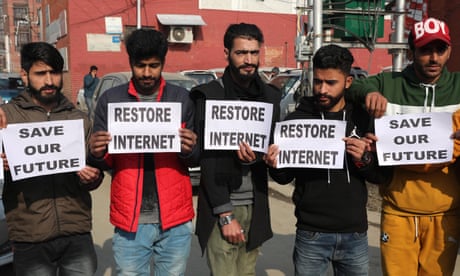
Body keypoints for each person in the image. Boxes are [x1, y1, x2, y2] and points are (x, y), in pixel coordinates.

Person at [264, 44, 390, 276]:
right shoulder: (296, 120)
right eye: (318, 81)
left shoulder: (362, 119)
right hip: (311, 235)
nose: (322, 89)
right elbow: (284, 178)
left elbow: (380, 176)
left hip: (355, 234)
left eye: (331, 83)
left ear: (348, 82)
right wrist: (274, 165)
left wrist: (365, 158)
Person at [347, 17, 460, 275]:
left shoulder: (458, 87)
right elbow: (354, 87)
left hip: (446, 214)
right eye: (425, 50)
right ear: (411, 52)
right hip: (398, 212)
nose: (433, 58)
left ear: (449, 51)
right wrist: (368, 94)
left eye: (440, 50)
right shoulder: (390, 83)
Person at [88, 28, 199, 275]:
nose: (147, 73)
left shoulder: (181, 99)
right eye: (140, 66)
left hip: (175, 220)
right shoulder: (111, 100)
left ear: (163, 63)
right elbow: (103, 161)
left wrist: (189, 148)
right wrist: (96, 152)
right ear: (130, 63)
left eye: (154, 65)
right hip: (130, 220)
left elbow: (194, 158)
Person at [0, 42, 103, 275]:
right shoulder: (7, 118)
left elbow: (94, 174)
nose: (49, 81)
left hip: (76, 232)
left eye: (54, 72)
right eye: (40, 73)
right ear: (25, 75)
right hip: (29, 237)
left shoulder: (79, 118)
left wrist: (92, 177)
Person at [190, 23, 281, 276]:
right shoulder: (208, 97)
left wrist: (272, 158)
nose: (249, 60)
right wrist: (225, 214)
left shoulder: (270, 97)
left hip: (257, 203)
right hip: (223, 205)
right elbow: (207, 160)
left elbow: (272, 148)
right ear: (226, 53)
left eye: (253, 53)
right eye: (241, 53)